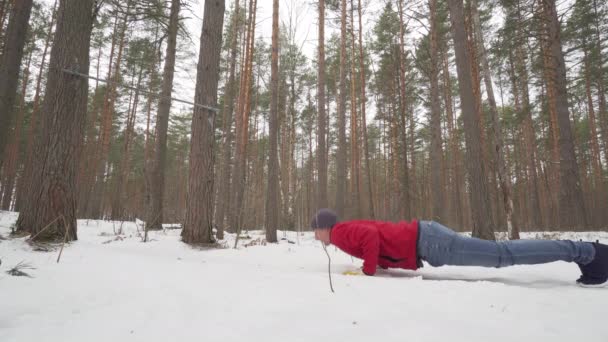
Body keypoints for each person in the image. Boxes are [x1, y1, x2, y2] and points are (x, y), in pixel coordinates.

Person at [311, 208, 608, 287]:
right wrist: (378, 264)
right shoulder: (342, 232)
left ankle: (586, 252)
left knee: (502, 255)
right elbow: (375, 237)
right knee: (500, 254)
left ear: (324, 227)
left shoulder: (340, 233)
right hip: (427, 239)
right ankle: (585, 253)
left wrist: (368, 271)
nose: (315, 237)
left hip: (428, 241)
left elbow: (370, 238)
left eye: (316, 230)